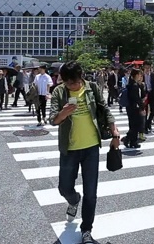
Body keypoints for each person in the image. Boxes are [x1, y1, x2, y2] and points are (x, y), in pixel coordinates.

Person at [49, 61, 119, 244]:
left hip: (91, 148)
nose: (71, 86)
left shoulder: (92, 88)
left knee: (91, 192)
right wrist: (64, 113)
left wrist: (114, 130)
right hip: (69, 148)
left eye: (74, 82)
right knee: (64, 187)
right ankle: (73, 200)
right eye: (67, 83)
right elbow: (53, 120)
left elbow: (104, 108)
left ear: (81, 77)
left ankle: (86, 230)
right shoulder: (59, 92)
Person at [124, 68, 146, 148]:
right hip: (134, 108)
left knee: (134, 125)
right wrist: (142, 107)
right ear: (136, 75)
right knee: (135, 125)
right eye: (139, 75)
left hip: (131, 108)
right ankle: (129, 140)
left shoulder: (134, 84)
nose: (140, 76)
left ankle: (131, 140)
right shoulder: (134, 85)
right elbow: (136, 98)